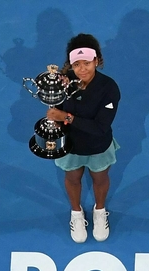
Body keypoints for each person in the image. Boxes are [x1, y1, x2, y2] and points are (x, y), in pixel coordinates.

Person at [46, 33, 121, 243]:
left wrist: (66, 117)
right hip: (70, 146)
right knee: (72, 178)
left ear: (96, 60)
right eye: (76, 64)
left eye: (87, 63)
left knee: (100, 179)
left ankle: (99, 211)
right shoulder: (63, 83)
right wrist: (54, 116)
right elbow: (56, 110)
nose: (82, 69)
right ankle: (76, 214)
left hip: (98, 146)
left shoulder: (109, 88)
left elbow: (100, 127)